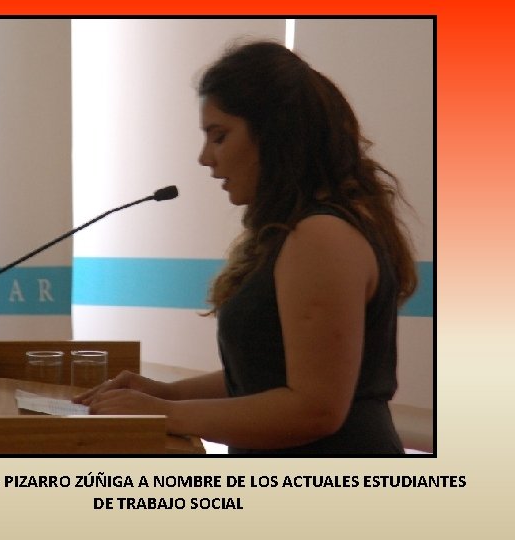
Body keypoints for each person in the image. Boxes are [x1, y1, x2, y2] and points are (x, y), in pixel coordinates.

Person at [73, 40, 418, 455]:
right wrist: (168, 393)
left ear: (276, 136)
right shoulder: (297, 231)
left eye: (219, 137)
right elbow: (267, 375)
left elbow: (314, 409)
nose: (205, 158)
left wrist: (165, 413)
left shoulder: (322, 236)